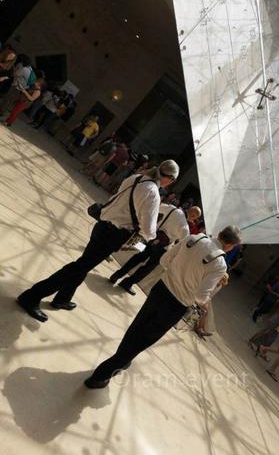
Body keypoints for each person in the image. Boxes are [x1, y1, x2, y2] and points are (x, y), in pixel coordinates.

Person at [16, 160, 180, 323]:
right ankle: (31, 296)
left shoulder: (136, 178)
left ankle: (63, 298)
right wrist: (150, 238)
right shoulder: (152, 193)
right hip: (113, 235)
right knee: (78, 267)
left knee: (83, 265)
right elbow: (149, 229)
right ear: (170, 179)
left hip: (102, 226)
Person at [84, 225, 241, 388]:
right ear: (230, 245)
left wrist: (175, 275)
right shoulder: (219, 264)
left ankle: (122, 359)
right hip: (176, 304)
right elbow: (201, 297)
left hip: (161, 288)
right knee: (144, 340)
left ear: (220, 234)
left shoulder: (194, 238)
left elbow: (164, 260)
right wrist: (216, 285)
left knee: (138, 326)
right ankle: (101, 375)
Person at [109, 202, 190, 295]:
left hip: (150, 238)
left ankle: (116, 275)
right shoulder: (185, 227)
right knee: (147, 268)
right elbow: (182, 244)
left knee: (136, 258)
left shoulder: (172, 208)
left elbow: (156, 207)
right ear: (193, 217)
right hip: (163, 248)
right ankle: (128, 283)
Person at [194, 272, 229, 339]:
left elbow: (211, 295)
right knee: (206, 311)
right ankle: (201, 328)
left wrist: (207, 301)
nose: (221, 282)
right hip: (202, 295)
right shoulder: (213, 282)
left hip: (207, 298)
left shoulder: (219, 286)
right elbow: (205, 290)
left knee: (208, 311)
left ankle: (201, 328)